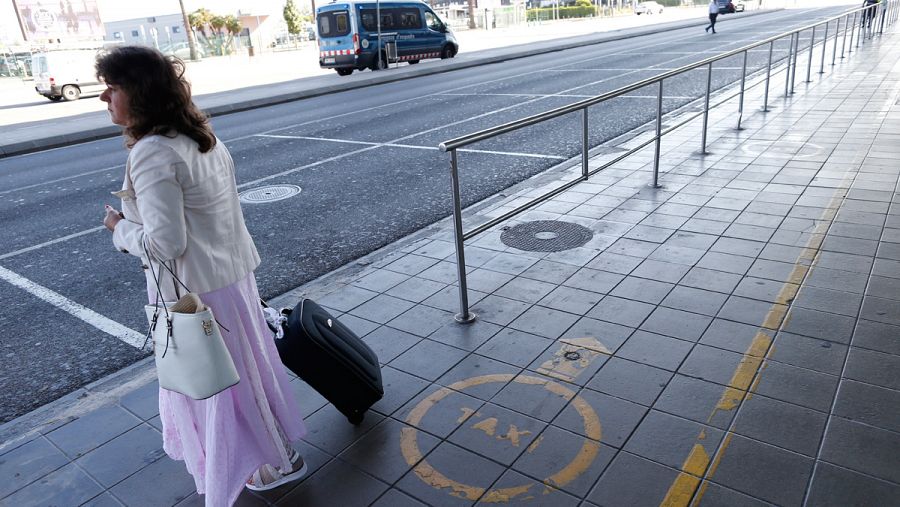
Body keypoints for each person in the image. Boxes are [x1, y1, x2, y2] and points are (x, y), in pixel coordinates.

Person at [97, 46, 307, 506]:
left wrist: (119, 228)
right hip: (230, 278)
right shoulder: (199, 135)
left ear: (138, 91)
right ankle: (278, 456)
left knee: (213, 385)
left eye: (112, 87)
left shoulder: (152, 151)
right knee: (247, 374)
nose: (103, 96)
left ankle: (262, 466)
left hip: (193, 292)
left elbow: (164, 244)